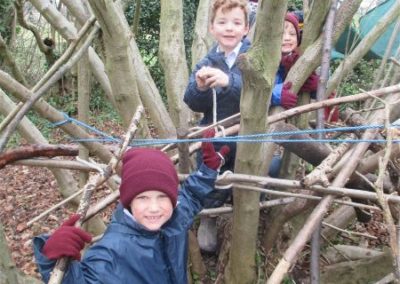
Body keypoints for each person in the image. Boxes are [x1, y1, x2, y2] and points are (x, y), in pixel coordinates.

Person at [33, 130, 230, 284]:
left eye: (162, 196)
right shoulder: (112, 252)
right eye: (143, 198)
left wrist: (208, 171)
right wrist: (51, 259)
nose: (154, 208)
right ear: (128, 201)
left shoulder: (173, 218)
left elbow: (191, 196)